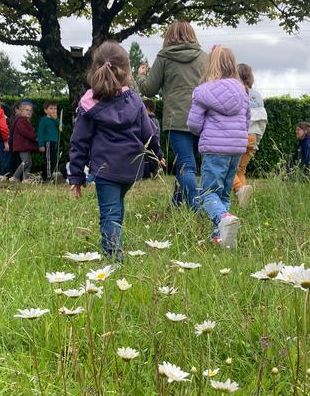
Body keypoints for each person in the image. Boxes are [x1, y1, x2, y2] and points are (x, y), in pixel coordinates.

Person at [68, 41, 164, 259]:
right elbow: (149, 131)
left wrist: (75, 176)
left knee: (110, 213)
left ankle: (114, 256)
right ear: (127, 71)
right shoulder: (134, 99)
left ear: (94, 69)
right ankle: (115, 243)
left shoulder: (88, 104)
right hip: (131, 168)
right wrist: (158, 154)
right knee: (116, 208)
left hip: (105, 169)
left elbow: (79, 142)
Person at [136, 20, 208, 209]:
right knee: (186, 165)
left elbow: (149, 89)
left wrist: (141, 74)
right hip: (202, 119)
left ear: (169, 36)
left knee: (186, 165)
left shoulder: (164, 57)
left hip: (177, 119)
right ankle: (175, 205)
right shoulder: (204, 57)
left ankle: (197, 210)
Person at [187, 46, 249, 248]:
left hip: (214, 148)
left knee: (208, 193)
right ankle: (221, 237)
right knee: (223, 193)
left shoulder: (203, 92)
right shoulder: (242, 91)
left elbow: (194, 125)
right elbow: (247, 120)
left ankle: (223, 217)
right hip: (236, 149)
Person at [232, 64, 267, 207]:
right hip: (253, 137)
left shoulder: (236, 92)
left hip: (239, 135)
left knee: (228, 169)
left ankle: (239, 189)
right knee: (241, 170)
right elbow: (263, 120)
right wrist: (257, 140)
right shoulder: (257, 96)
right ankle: (242, 202)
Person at [11, 102, 38, 182]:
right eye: (26, 110)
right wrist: (34, 137)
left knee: (29, 162)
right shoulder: (21, 121)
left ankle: (25, 179)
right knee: (25, 161)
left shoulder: (25, 120)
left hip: (25, 145)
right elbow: (25, 132)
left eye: (30, 110)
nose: (29, 112)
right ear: (21, 111)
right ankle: (15, 177)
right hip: (22, 145)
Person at [38, 101, 60, 182]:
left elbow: (61, 128)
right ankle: (47, 177)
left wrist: (56, 119)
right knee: (48, 160)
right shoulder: (44, 120)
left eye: (55, 108)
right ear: (46, 110)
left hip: (55, 142)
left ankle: (49, 175)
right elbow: (40, 133)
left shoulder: (56, 120)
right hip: (48, 142)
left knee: (53, 160)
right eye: (51, 108)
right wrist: (41, 145)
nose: (53, 110)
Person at [142, 99, 161, 178]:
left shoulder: (146, 120)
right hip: (156, 148)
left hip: (147, 148)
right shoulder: (156, 120)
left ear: (146, 108)